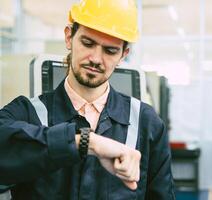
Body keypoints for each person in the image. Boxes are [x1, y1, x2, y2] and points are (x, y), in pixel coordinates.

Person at [0, 0, 175, 199]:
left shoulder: (146, 123)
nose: (96, 59)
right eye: (88, 43)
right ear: (69, 37)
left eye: (110, 51)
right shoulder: (28, 113)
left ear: (123, 55)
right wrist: (86, 143)